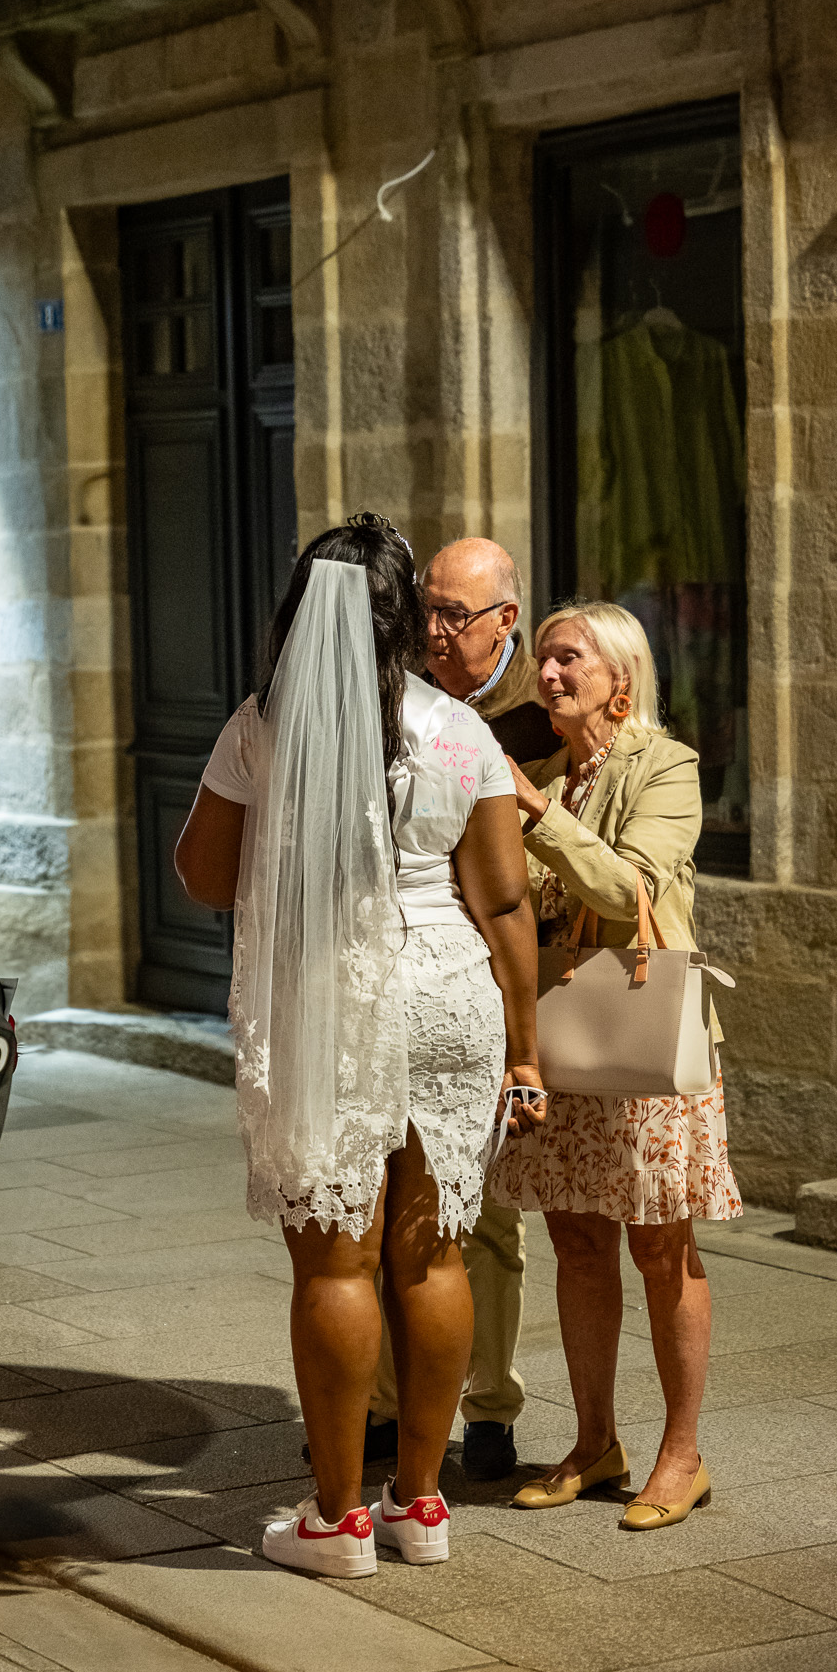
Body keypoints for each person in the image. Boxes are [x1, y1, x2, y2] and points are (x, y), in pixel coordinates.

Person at [175, 515, 544, 1577]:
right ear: (403, 618)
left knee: (336, 1256)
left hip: (329, 994)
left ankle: (336, 1519)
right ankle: (420, 1504)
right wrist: (523, 1045)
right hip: (444, 993)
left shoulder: (264, 723)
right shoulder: (459, 733)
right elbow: (504, 897)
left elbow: (203, 874)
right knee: (430, 1251)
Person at [490, 600, 740, 1532]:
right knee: (576, 1240)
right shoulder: (547, 768)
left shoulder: (665, 767)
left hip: (641, 1032)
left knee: (659, 1245)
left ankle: (682, 1455)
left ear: (618, 681)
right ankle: (594, 1440)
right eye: (543, 661)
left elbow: (626, 885)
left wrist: (530, 810)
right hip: (557, 1032)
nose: (547, 675)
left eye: (567, 660)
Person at [368, 538, 562, 1484]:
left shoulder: (532, 721)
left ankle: (487, 1408)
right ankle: (382, 1403)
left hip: (488, 995)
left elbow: (508, 895)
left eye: (456, 616)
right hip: (392, 985)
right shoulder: (387, 697)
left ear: (504, 622)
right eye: (427, 610)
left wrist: (522, 1048)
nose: (435, 632)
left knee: (478, 1220)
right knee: (372, 1214)